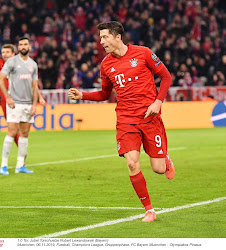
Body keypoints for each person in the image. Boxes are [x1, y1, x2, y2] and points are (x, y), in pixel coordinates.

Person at [68, 21, 175, 222]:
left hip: (149, 117)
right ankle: (149, 210)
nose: (101, 41)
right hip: (126, 120)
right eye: (100, 38)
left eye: (105, 37)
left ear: (118, 37)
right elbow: (104, 94)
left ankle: (165, 158)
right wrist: (82, 95)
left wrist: (158, 102)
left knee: (158, 169)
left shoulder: (143, 53)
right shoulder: (106, 65)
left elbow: (166, 77)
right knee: (133, 164)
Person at [0, 37, 39, 175]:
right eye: (21, 44)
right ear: (18, 47)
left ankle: (20, 165)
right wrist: (8, 97)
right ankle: (3, 165)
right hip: (15, 103)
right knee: (11, 132)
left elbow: (35, 86)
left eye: (25, 44)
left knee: (25, 134)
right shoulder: (11, 62)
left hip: (28, 104)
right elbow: (1, 78)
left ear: (30, 46)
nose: (23, 46)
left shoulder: (33, 64)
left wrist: (35, 104)